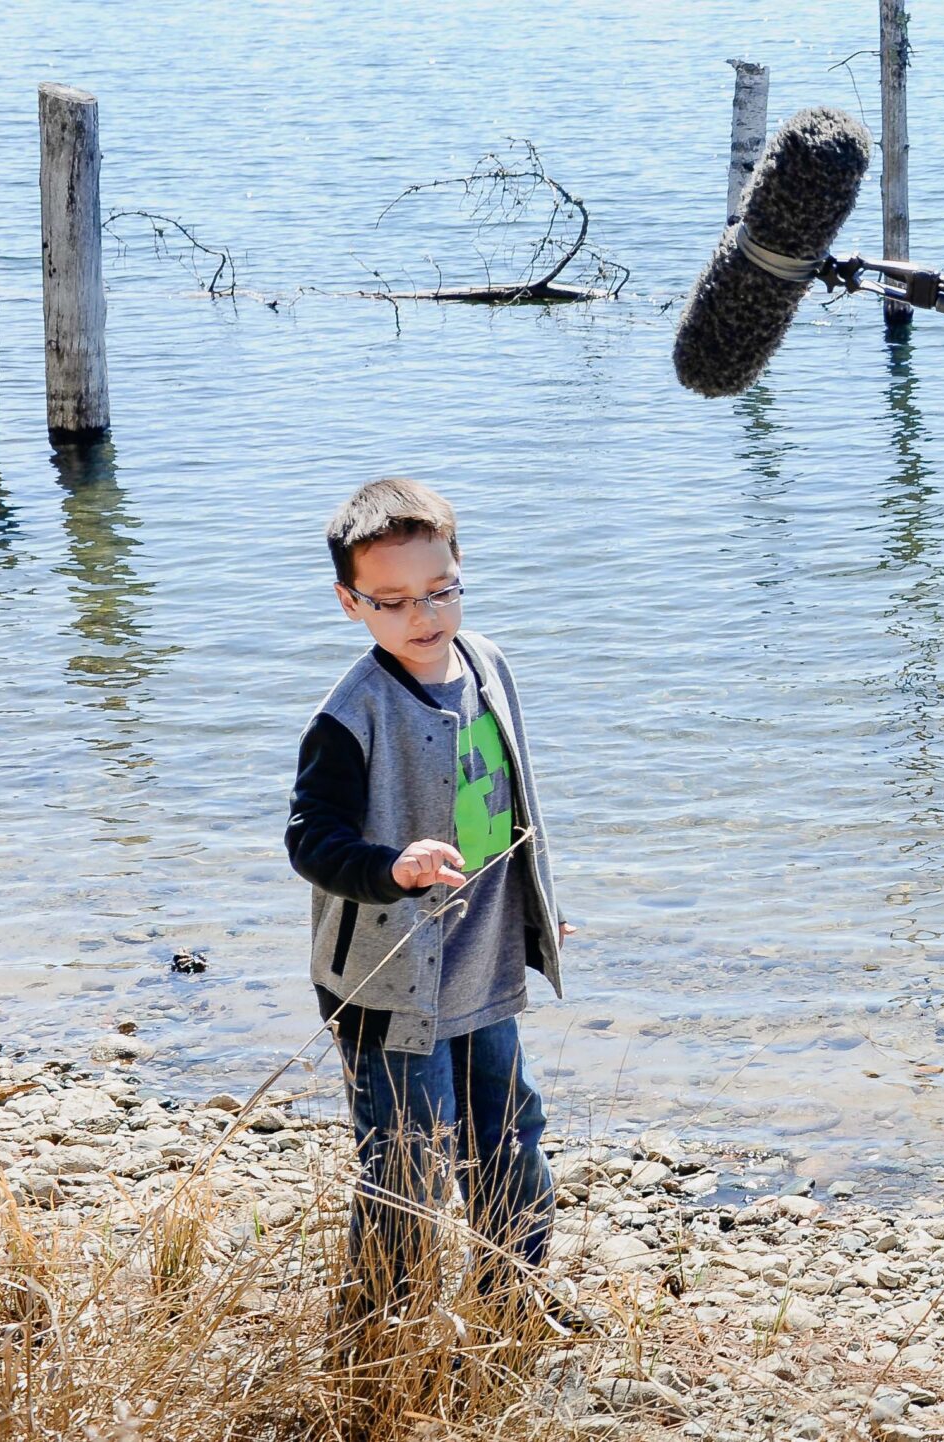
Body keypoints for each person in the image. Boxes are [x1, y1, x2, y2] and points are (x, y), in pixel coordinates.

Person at [285, 476, 573, 1330]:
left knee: (510, 1140)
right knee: (407, 1168)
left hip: (482, 963)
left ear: (460, 571)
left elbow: (514, 800)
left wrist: (536, 904)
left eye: (440, 589)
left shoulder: (487, 664)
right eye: (396, 600)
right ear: (351, 603)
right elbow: (310, 841)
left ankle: (510, 1307)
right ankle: (382, 1334)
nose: (424, 615)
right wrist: (391, 867)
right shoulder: (351, 714)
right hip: (387, 984)